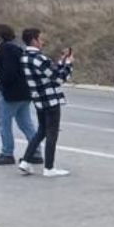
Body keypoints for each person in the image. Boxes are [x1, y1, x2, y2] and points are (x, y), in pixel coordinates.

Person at [17, 28, 73, 178]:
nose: (43, 41)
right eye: (41, 39)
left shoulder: (24, 57)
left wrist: (61, 62)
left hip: (38, 100)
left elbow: (50, 73)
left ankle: (26, 161)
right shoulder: (39, 58)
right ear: (34, 40)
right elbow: (59, 79)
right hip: (50, 99)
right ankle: (49, 168)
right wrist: (68, 64)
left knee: (41, 130)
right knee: (52, 133)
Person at [0, 24, 40, 167]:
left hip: (11, 92)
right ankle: (36, 152)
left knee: (3, 122)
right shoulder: (19, 46)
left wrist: (3, 82)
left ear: (0, 36)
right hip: (25, 91)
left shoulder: (6, 49)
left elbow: (8, 73)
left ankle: (7, 153)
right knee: (25, 123)